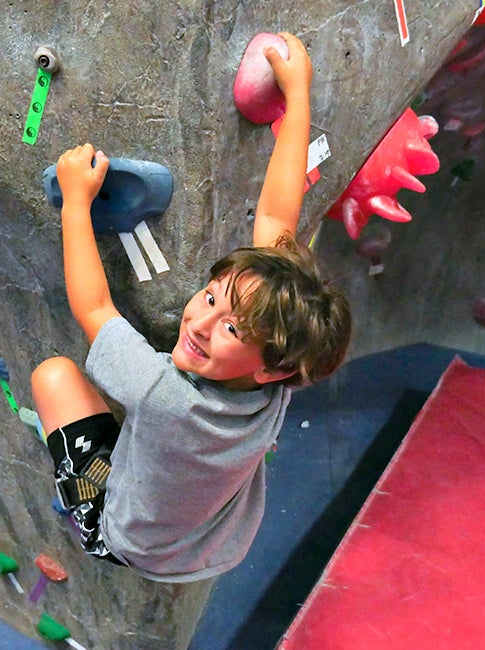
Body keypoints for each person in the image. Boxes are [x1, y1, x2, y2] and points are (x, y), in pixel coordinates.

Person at [30, 32, 351, 582]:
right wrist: (298, 98)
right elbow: (277, 219)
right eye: (209, 297)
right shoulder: (282, 369)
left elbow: (94, 307)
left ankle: (94, 500)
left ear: (270, 365)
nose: (197, 322)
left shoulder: (163, 394)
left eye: (228, 326)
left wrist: (76, 201)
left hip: (127, 538)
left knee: (54, 375)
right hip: (214, 545)